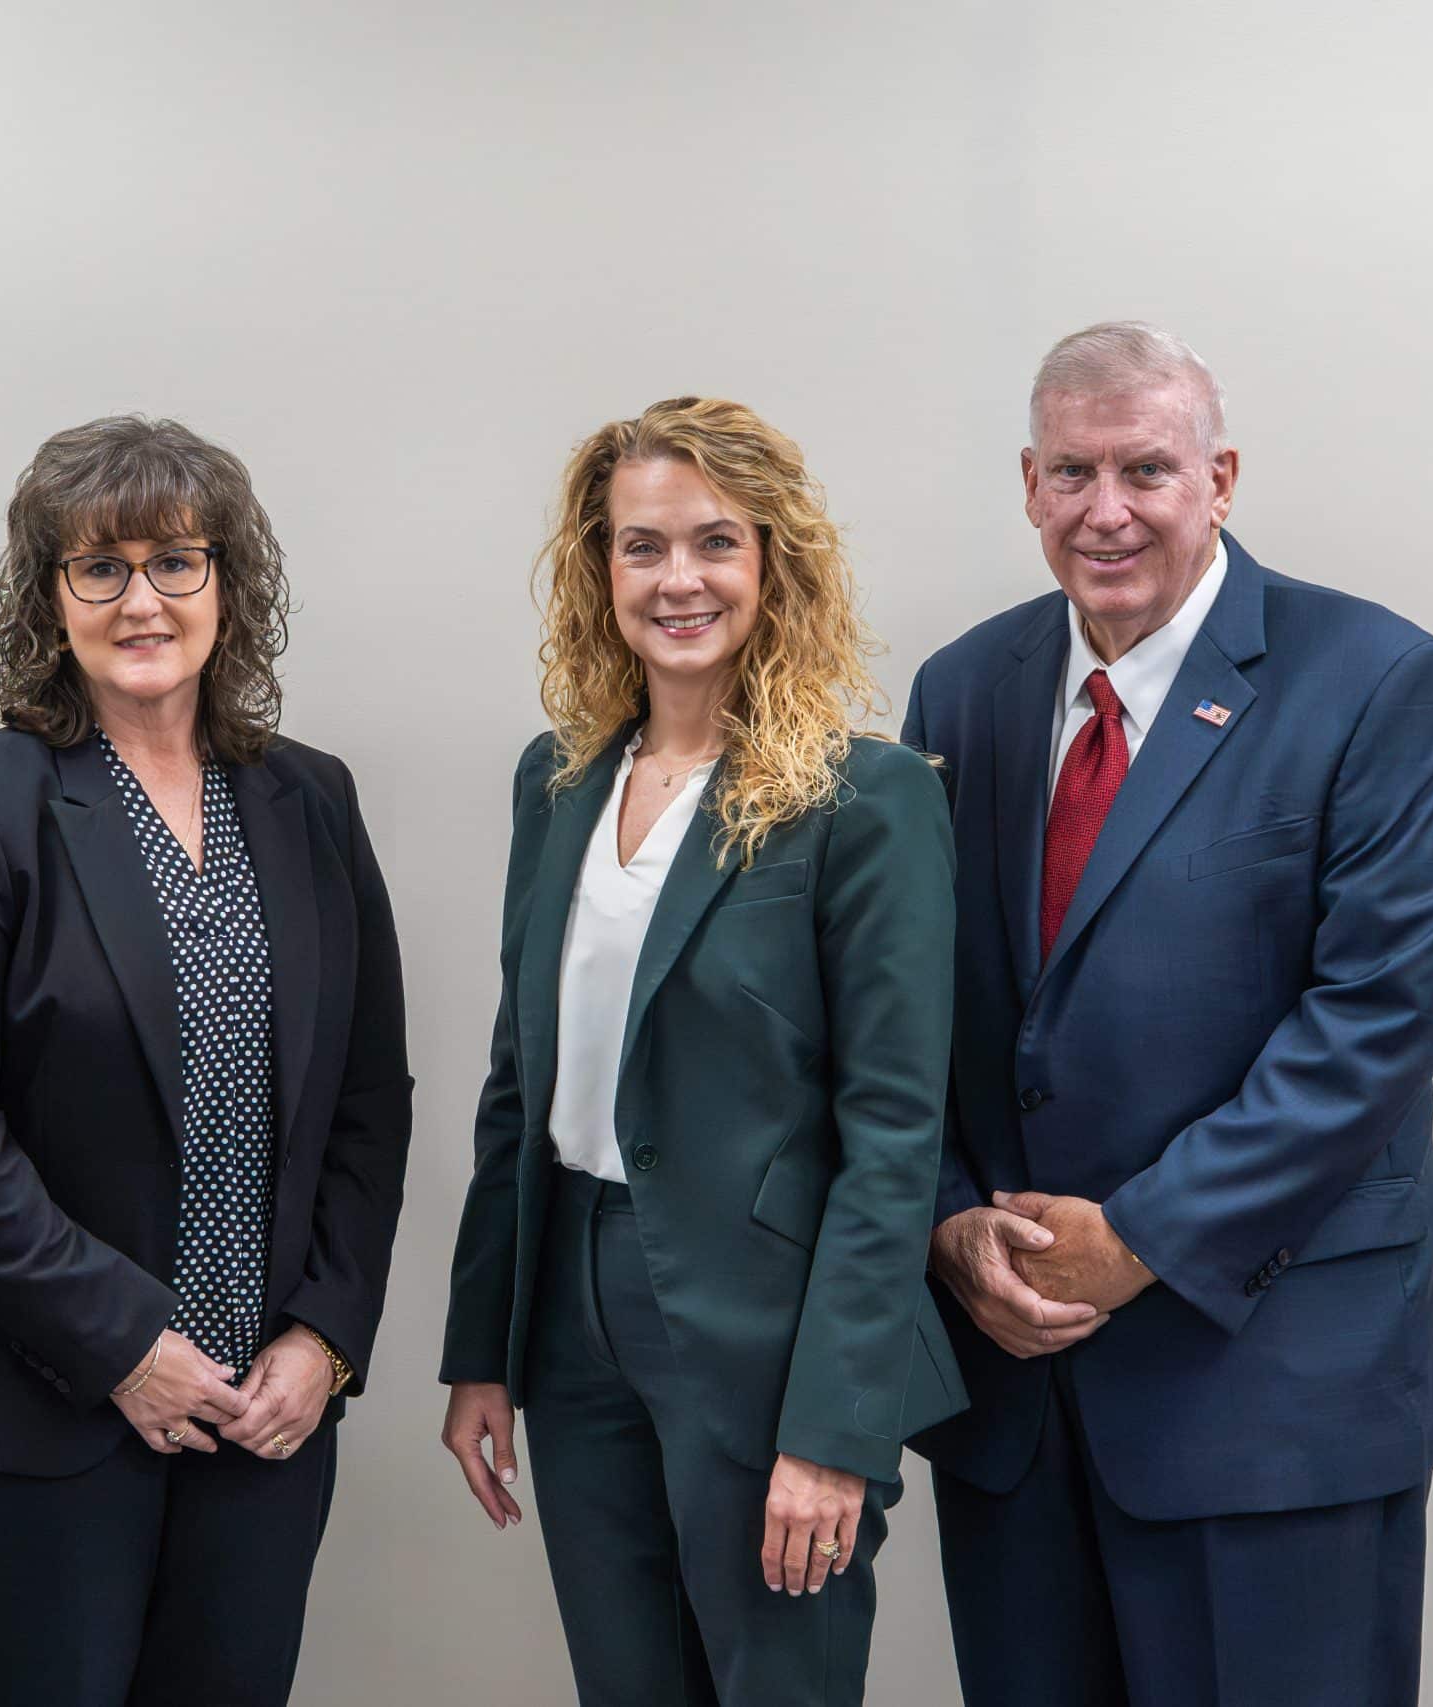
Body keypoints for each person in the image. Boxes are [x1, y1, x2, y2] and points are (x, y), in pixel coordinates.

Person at [903, 322, 1433, 1707]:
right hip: (1020, 1394)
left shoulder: (1372, 680)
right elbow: (903, 1010)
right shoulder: (960, 691)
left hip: (1274, 1386)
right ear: (1028, 485)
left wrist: (1146, 1241)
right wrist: (944, 1214)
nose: (1107, 510)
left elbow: (1379, 1022)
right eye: (1071, 472)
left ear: (1218, 479)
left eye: (1146, 469)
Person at [0, 415, 414, 1707]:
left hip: (258, 1415)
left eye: (175, 562)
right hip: (25, 1410)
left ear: (230, 584)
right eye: (98, 569)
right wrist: (119, 1344)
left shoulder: (311, 799)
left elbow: (368, 1103)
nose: (141, 599)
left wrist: (325, 1334)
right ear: (50, 600)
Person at [437, 397, 963, 1705]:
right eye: (642, 546)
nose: (680, 579)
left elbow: (896, 1130)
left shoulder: (868, 798)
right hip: (570, 1308)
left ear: (773, 562)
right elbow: (521, 1080)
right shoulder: (556, 781)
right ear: (597, 569)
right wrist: (482, 1346)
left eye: (716, 542)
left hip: (768, 1328)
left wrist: (838, 1432)